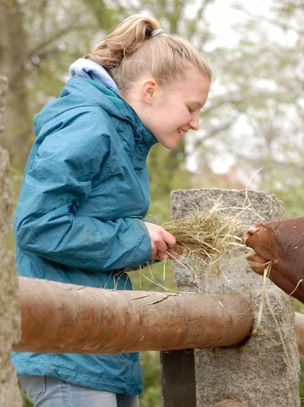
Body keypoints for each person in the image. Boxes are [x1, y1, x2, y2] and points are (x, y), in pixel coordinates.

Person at [13, 14, 211, 407]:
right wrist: (136, 238)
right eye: (191, 107)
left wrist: (142, 240)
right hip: (67, 351)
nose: (196, 123)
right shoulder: (88, 125)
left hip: (103, 346)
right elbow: (38, 226)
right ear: (150, 90)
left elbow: (90, 226)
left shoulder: (126, 137)